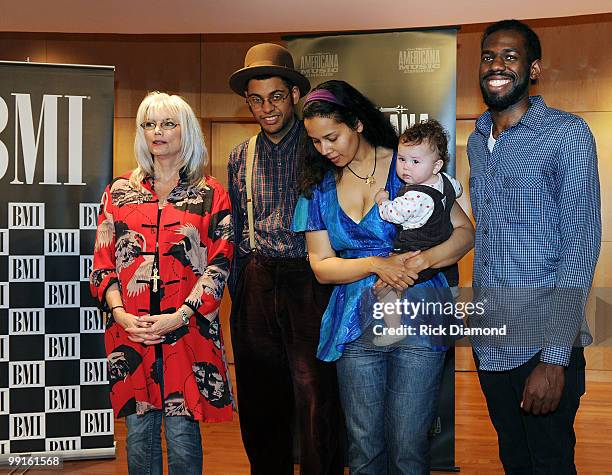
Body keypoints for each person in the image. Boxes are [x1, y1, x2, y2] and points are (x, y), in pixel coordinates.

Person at [292, 80, 474, 474]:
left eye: (332, 137)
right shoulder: (317, 189)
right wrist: (377, 264)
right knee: (362, 451)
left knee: (409, 450)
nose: (325, 150)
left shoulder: (409, 163)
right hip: (355, 325)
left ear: (356, 123)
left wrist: (419, 262)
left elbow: (464, 233)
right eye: (316, 142)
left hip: (419, 318)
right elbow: (322, 265)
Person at [467, 19, 601, 474]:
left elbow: (580, 248)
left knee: (550, 465)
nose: (497, 65)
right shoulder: (476, 141)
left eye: (510, 56)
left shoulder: (567, 133)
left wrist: (555, 359)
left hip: (542, 346)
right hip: (490, 342)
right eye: (488, 56)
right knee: (513, 460)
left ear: (533, 68)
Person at [90, 91, 234, 474]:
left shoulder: (211, 194)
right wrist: (120, 314)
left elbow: (219, 264)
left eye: (168, 123)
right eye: (150, 124)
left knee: (183, 438)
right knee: (138, 438)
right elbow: (103, 262)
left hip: (186, 331)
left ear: (186, 131)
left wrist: (181, 315)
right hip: (131, 331)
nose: (158, 132)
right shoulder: (118, 193)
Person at [227, 43, 343, 475]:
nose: (266, 107)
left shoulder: (319, 149)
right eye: (256, 99)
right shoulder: (240, 155)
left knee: (316, 397)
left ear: (294, 94)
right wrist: (240, 294)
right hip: (257, 279)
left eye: (275, 96)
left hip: (309, 279)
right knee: (260, 398)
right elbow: (238, 226)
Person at [373, 119, 463, 346]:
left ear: (436, 166)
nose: (405, 167)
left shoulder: (415, 196)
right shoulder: (447, 181)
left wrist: (383, 201)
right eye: (402, 159)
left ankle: (394, 328)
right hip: (442, 251)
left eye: (415, 161)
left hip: (413, 252)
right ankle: (453, 315)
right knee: (451, 284)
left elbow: (393, 214)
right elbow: (458, 190)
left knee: (387, 288)